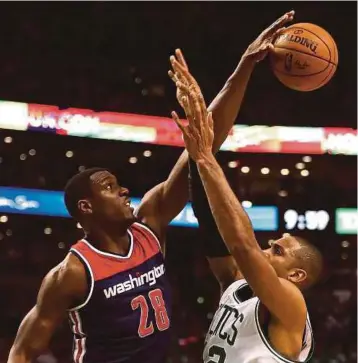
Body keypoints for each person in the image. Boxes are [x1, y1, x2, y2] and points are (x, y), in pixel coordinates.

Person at [7, 12, 293, 363]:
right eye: (110, 187)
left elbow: (203, 144)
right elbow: (24, 349)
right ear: (86, 207)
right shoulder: (73, 273)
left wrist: (244, 66)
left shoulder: (150, 227)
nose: (124, 190)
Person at [171, 23, 323, 362]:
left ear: (296, 275)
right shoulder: (238, 285)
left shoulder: (291, 304)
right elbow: (212, 221)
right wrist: (242, 70)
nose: (267, 248)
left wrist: (206, 157)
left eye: (278, 251)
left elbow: (242, 243)